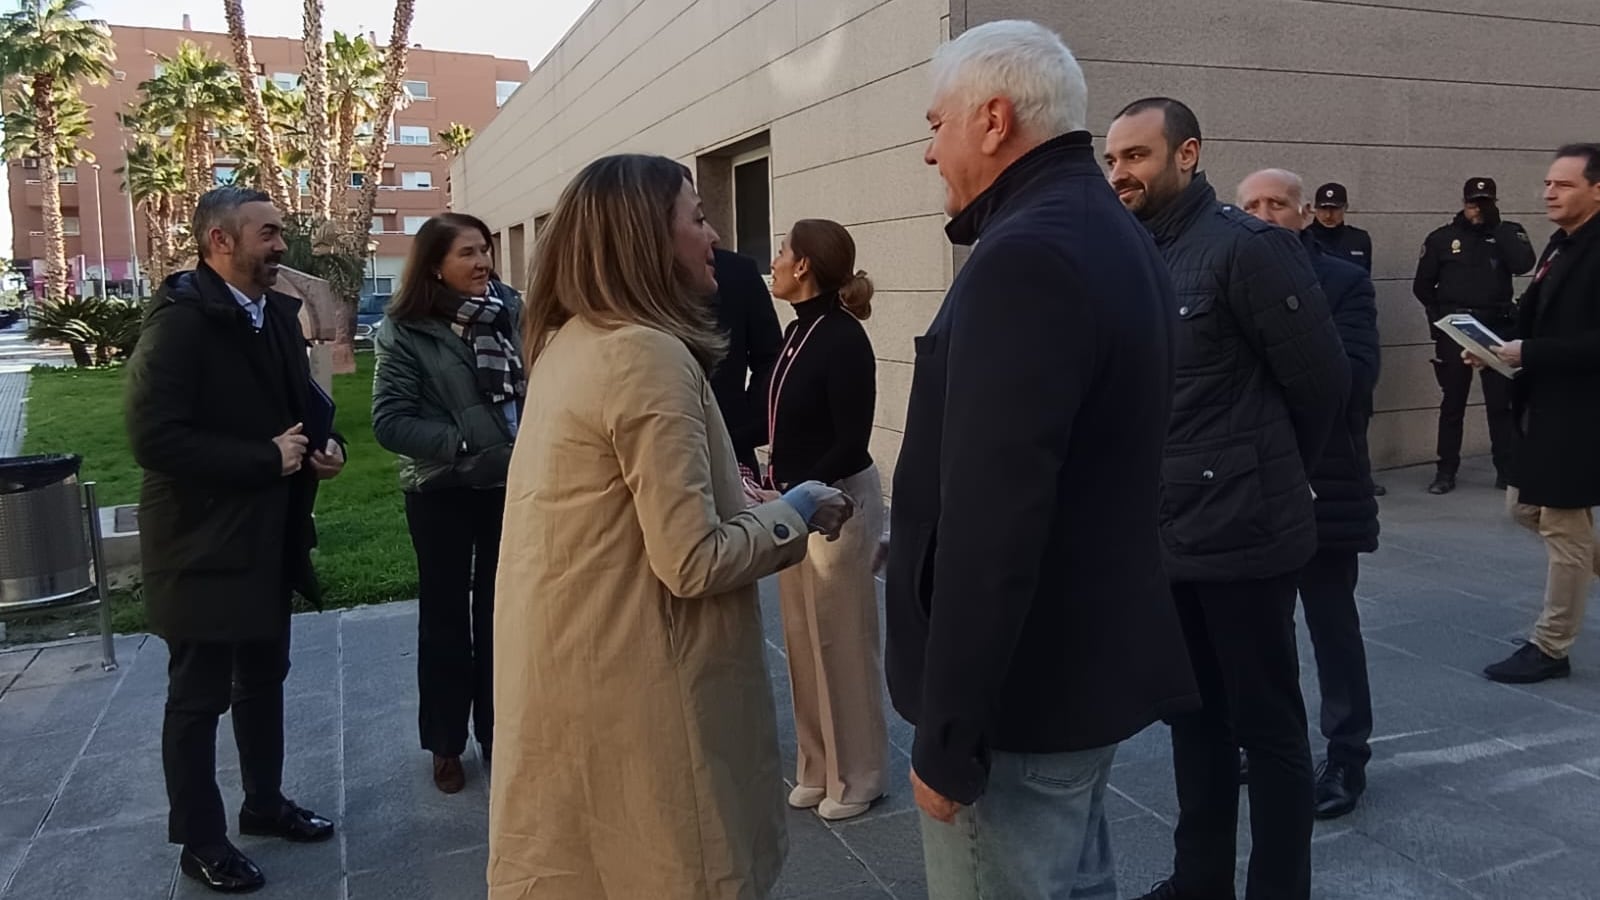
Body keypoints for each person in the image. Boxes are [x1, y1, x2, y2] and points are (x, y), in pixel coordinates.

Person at [884, 22, 1199, 900]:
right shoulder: (1107, 231)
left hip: (1020, 700)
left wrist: (950, 735)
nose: (929, 152)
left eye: (936, 125)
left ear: (993, 121)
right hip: (1076, 676)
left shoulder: (1026, 254)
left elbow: (996, 517)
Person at [486, 153, 854, 900]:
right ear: (646, 239)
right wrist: (797, 511)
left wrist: (740, 498)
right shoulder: (643, 354)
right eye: (698, 217)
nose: (714, 237)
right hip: (647, 687)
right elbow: (692, 560)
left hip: (580, 671)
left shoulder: (572, 342)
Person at [1105, 99, 1349, 900]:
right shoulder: (1131, 253)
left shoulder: (1250, 248)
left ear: (1187, 154)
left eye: (1136, 155)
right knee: (1193, 717)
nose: (1120, 173)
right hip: (1166, 535)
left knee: (1267, 726)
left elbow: (1322, 384)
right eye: (1113, 159)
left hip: (1246, 535)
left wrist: (1268, 474)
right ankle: (1199, 879)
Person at [126, 186, 343, 894]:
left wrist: (327, 445)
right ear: (220, 241)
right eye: (268, 233)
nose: (281, 245)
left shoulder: (274, 313)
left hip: (267, 537)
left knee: (263, 677)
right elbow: (154, 439)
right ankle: (200, 840)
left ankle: (264, 804)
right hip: (199, 546)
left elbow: (298, 405)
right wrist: (263, 459)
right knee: (197, 699)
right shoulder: (180, 323)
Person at [1238, 169, 1381, 820]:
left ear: (1303, 215)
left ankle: (1347, 756)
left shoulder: (1343, 281)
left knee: (1331, 626)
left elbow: (1354, 376)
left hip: (1324, 480)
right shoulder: (1219, 279)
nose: (1264, 213)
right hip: (1246, 486)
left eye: (1278, 203)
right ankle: (1273, 743)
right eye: (1251, 204)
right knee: (1260, 631)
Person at [371, 213, 523, 794]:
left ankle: (499, 732)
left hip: (508, 484)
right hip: (441, 489)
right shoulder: (404, 328)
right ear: (435, 265)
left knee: (501, 615)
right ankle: (446, 742)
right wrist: (465, 443)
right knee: (445, 619)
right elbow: (390, 422)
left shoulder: (511, 310)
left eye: (485, 250)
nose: (483, 261)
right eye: (468, 253)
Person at [758, 218, 887, 822]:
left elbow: (851, 439)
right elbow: (775, 418)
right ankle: (817, 765)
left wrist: (802, 491)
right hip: (796, 504)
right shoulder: (797, 330)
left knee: (843, 641)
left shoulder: (843, 338)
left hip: (838, 504)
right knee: (802, 639)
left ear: (804, 264)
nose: (775, 260)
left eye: (783, 250)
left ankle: (859, 776)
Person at [1476, 144, 1600, 684]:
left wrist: (1530, 352)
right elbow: (1535, 314)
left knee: (1563, 525)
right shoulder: (1561, 242)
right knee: (1524, 508)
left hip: (1583, 411)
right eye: (1549, 183)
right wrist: (1489, 345)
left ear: (1598, 190)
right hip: (1545, 404)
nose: (1549, 192)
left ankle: (1551, 646)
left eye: (1564, 185)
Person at [1413, 177, 1537, 494]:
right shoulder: (1443, 238)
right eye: (1472, 203)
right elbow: (1422, 286)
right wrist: (1441, 317)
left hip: (1496, 326)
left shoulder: (1507, 232)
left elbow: (1523, 264)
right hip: (1457, 327)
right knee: (1453, 402)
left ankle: (1506, 471)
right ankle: (1445, 471)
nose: (1477, 210)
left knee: (1500, 403)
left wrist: (1497, 227)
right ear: (1463, 203)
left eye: (1484, 203)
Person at [710, 247, 783, 474]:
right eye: (699, 226)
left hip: (731, 448)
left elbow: (770, 360)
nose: (712, 234)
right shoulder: (628, 272)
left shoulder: (736, 271)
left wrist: (743, 429)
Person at [1308, 182, 1373, 272]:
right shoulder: (1303, 239)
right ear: (1315, 209)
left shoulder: (1359, 239)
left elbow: (1365, 275)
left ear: (1345, 207)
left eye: (1334, 209)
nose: (1328, 215)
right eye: (1323, 208)